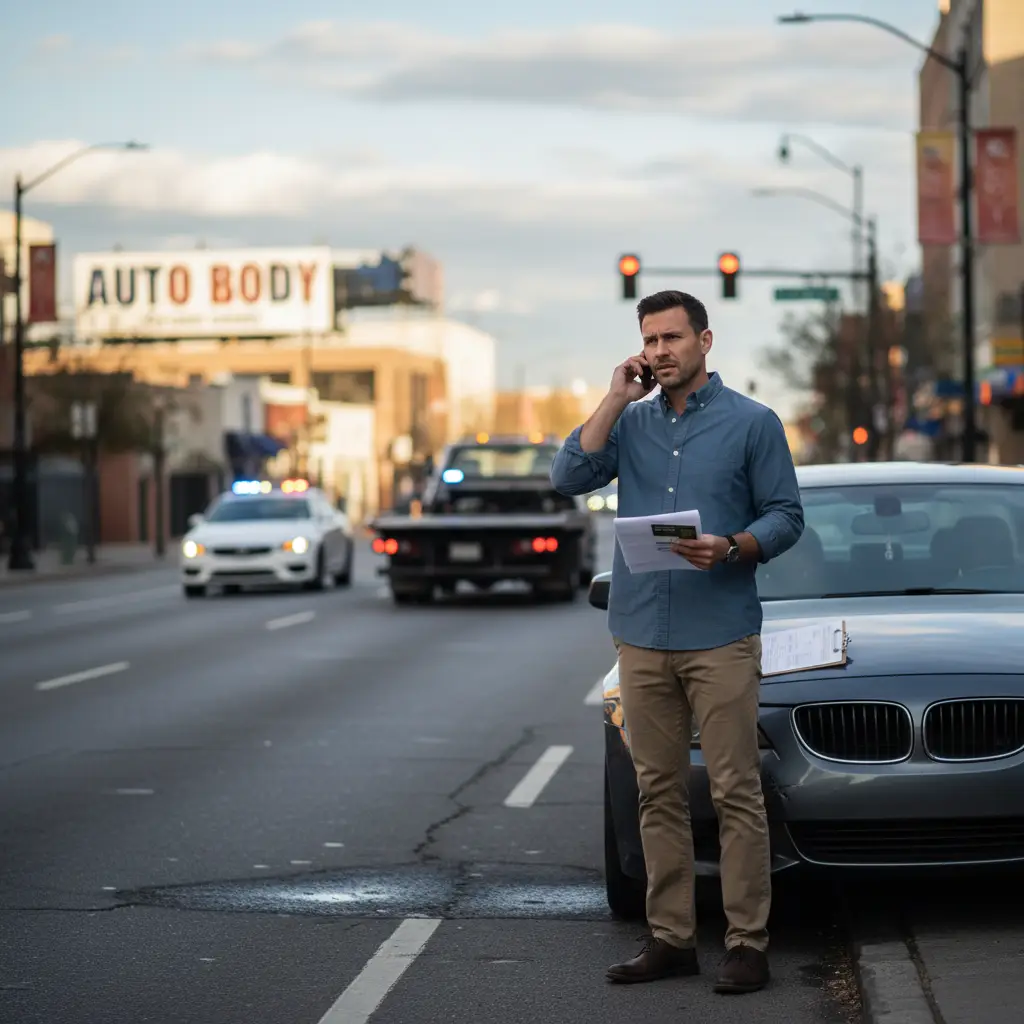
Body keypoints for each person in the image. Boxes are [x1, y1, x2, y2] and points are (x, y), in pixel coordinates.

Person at [550, 290, 804, 994]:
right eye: (650, 340)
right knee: (655, 790)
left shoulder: (753, 424)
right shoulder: (630, 427)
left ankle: (748, 943)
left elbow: (787, 515)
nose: (661, 351)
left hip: (720, 632)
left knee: (734, 792)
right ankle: (671, 939)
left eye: (672, 338)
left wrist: (734, 546)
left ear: (705, 341)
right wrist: (611, 398)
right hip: (640, 633)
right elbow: (568, 476)